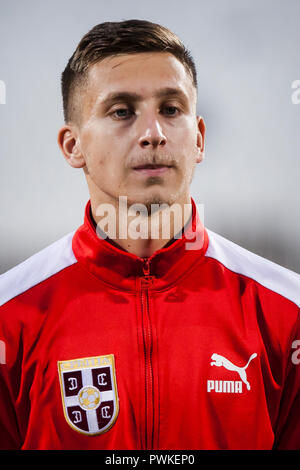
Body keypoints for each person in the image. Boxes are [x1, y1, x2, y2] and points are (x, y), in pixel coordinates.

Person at [0, 19, 299, 450]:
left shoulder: (287, 315)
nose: (153, 134)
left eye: (171, 109)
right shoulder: (10, 320)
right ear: (73, 146)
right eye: (122, 111)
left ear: (198, 138)